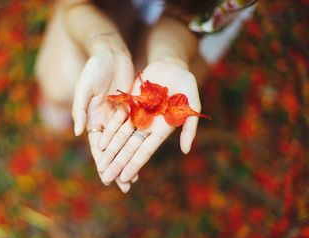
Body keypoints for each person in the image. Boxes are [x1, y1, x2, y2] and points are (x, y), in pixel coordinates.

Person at [35, 0, 258, 193]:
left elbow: (184, 21)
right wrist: (106, 46)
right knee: (61, 86)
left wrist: (170, 59)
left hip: (193, 14)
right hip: (103, 6)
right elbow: (77, 5)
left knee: (132, 84)